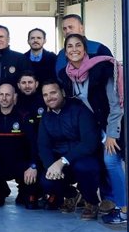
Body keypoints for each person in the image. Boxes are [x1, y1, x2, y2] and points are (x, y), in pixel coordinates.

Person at [58, 34, 127, 224]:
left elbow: (116, 105)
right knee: (109, 163)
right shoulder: (68, 75)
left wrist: (113, 134)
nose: (74, 49)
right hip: (98, 127)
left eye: (78, 45)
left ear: (85, 49)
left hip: (117, 123)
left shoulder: (102, 68)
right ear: (65, 52)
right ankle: (121, 206)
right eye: (69, 46)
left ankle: (124, 211)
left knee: (112, 162)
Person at [38, 80, 102, 220]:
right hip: (62, 163)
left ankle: (91, 201)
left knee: (84, 168)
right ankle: (72, 195)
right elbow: (43, 146)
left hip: (84, 158)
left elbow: (89, 143)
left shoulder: (80, 110)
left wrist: (62, 161)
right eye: (45, 95)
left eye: (53, 92)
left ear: (63, 92)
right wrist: (51, 166)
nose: (49, 97)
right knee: (46, 181)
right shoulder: (46, 117)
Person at [0, 84, 40, 209]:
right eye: (1, 94)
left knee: (28, 204)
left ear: (14, 97)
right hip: (0, 163)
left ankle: (25, 191)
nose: (4, 98)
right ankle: (0, 190)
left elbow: (34, 144)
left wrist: (33, 165)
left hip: (22, 165)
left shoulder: (24, 116)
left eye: (8, 95)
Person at [0, 25, 31, 92]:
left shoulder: (21, 58)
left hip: (15, 101)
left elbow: (28, 85)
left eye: (1, 37)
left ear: (8, 39)